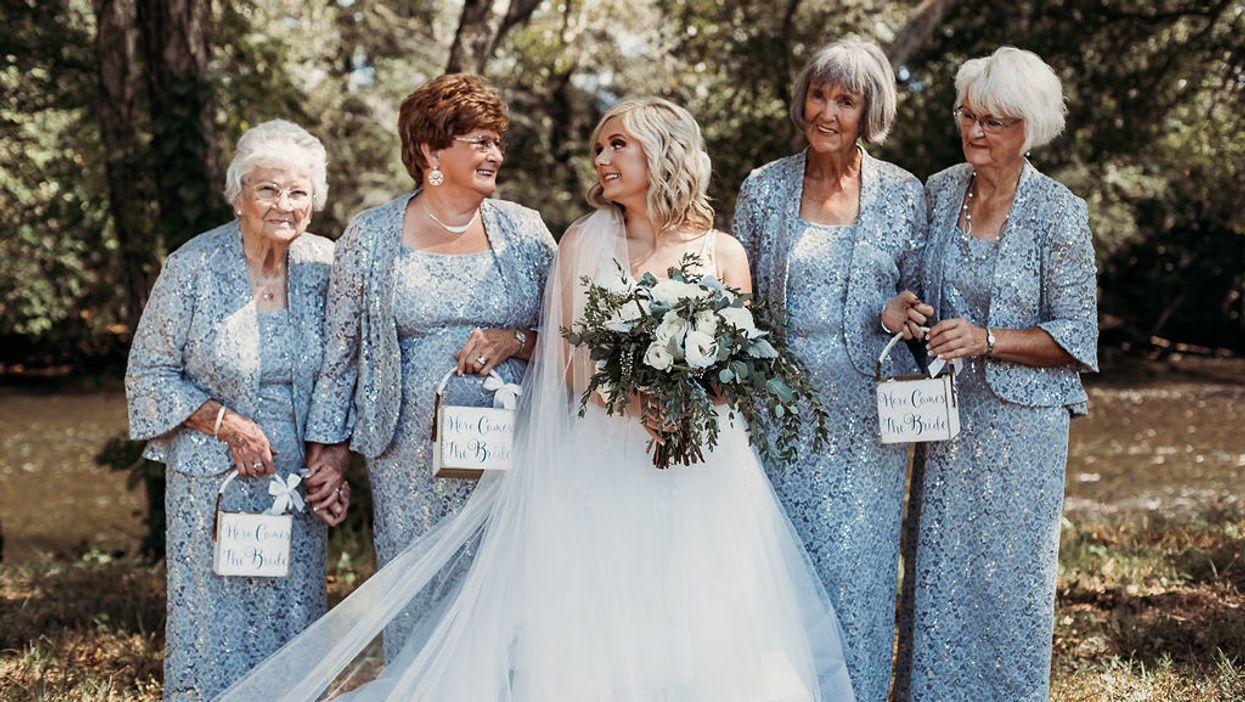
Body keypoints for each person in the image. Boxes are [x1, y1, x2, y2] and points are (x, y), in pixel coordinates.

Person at [217, 97, 856, 701]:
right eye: (598, 148)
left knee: (702, 601)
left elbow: (737, 360)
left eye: (617, 146)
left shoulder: (722, 252)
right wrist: (637, 403)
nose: (601, 160)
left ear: (663, 153)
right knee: (604, 607)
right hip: (602, 452)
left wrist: (692, 401)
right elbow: (570, 359)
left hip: (701, 462)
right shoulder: (582, 240)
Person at [299, 73, 556, 658]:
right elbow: (343, 356)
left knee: (508, 601)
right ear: (429, 151)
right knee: (419, 603)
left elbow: (569, 339)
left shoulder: (525, 230)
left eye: (497, 141)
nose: (495, 154)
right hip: (407, 463)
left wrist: (513, 339)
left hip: (512, 456)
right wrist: (331, 454)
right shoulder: (369, 234)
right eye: (479, 141)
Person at [888, 47, 1099, 700]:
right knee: (940, 574)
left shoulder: (1059, 212)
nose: (976, 132)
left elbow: (1076, 337)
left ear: (1028, 129)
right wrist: (904, 307)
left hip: (1021, 429)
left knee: (1008, 583)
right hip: (946, 419)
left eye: (996, 121)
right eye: (969, 115)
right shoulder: (939, 188)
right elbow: (912, 282)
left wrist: (986, 339)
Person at [125, 119, 345, 700]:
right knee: (213, 631)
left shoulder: (328, 265)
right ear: (238, 194)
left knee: (293, 624)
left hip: (292, 480)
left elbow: (344, 370)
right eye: (268, 188)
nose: (284, 204)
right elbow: (147, 373)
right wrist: (226, 423)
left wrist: (334, 460)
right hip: (211, 483)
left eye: (299, 192)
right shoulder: (192, 267)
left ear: (314, 203)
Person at [732, 38, 925, 701]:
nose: (828, 111)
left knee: (858, 571)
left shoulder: (902, 193)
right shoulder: (762, 187)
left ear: (868, 111)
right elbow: (738, 300)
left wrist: (899, 311)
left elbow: (917, 296)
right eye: (820, 94)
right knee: (777, 569)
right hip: (776, 409)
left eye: (846, 100)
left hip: (867, 416)